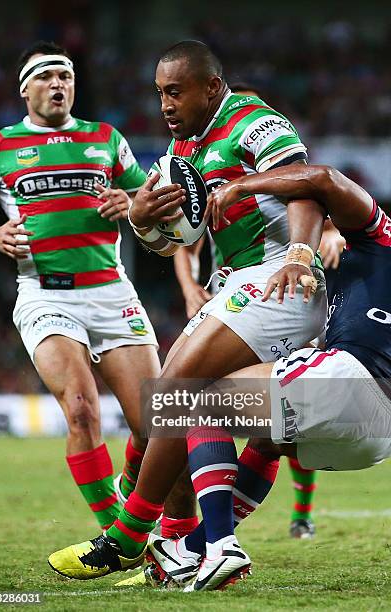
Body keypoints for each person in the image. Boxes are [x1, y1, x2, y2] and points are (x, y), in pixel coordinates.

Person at [47, 39, 328, 579]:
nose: (166, 105)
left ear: (212, 88)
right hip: (236, 286)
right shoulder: (182, 155)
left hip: (279, 281)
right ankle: (190, 546)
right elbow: (172, 241)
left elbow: (305, 190)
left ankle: (128, 536)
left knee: (175, 390)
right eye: (159, 95)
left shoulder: (254, 122)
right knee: (208, 414)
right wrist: (142, 219)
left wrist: (299, 255)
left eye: (176, 92)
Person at [50, 163, 391, 590]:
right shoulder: (351, 267)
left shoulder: (378, 237)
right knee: (267, 444)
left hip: (348, 379)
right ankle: (190, 549)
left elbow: (321, 180)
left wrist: (242, 185)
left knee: (193, 401)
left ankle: (218, 544)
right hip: (378, 437)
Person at [0, 40, 163, 532]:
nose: (58, 84)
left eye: (66, 76)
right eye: (46, 76)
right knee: (81, 410)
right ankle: (118, 536)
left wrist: (130, 201)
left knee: (154, 422)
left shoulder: (107, 137)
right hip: (45, 293)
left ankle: (127, 484)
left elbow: (144, 194)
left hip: (111, 291)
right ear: (24, 89)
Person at [173, 81, 325, 539]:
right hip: (232, 293)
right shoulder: (207, 167)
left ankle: (186, 538)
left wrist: (313, 247)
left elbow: (317, 200)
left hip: (278, 291)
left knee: (264, 428)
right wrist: (187, 285)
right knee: (184, 403)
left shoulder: (275, 163)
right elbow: (184, 239)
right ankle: (179, 534)